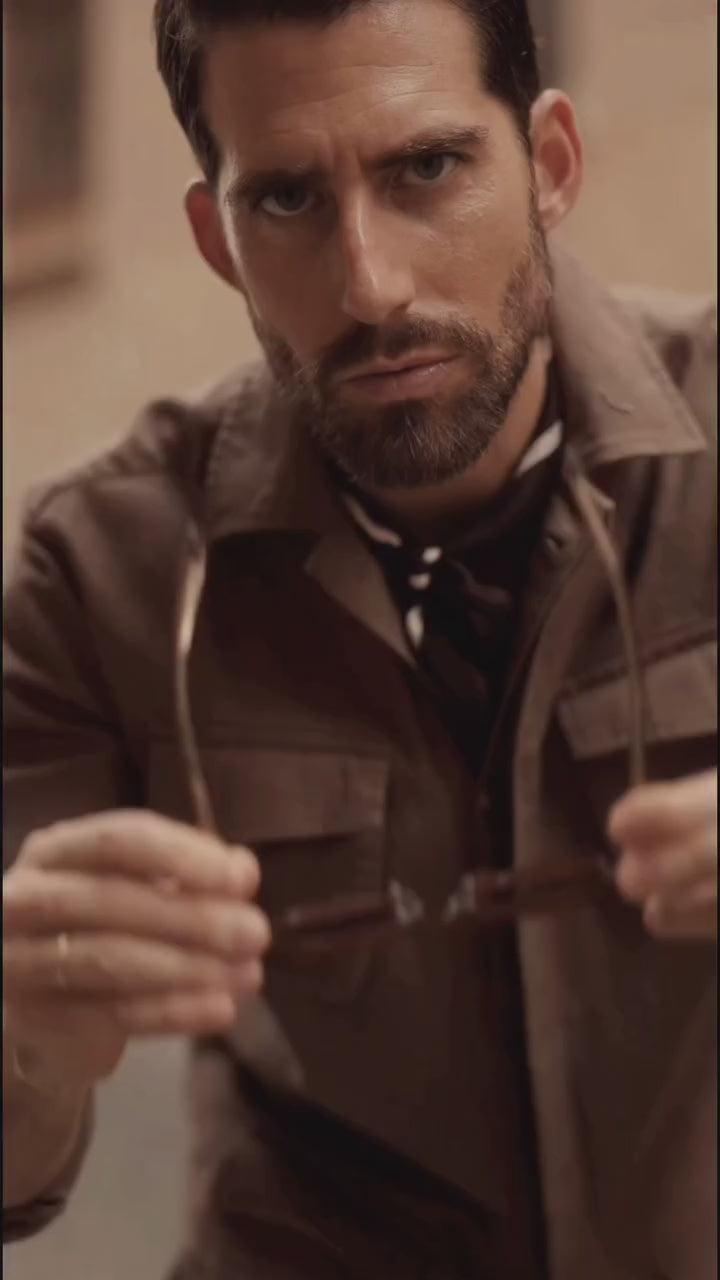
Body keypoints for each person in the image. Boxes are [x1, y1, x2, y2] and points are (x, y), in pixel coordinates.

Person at [2, 1, 716, 1277]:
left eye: (426, 168)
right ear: (217, 238)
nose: (369, 287)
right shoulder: (94, 573)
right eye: (286, 199)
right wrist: (28, 1046)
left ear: (550, 165)